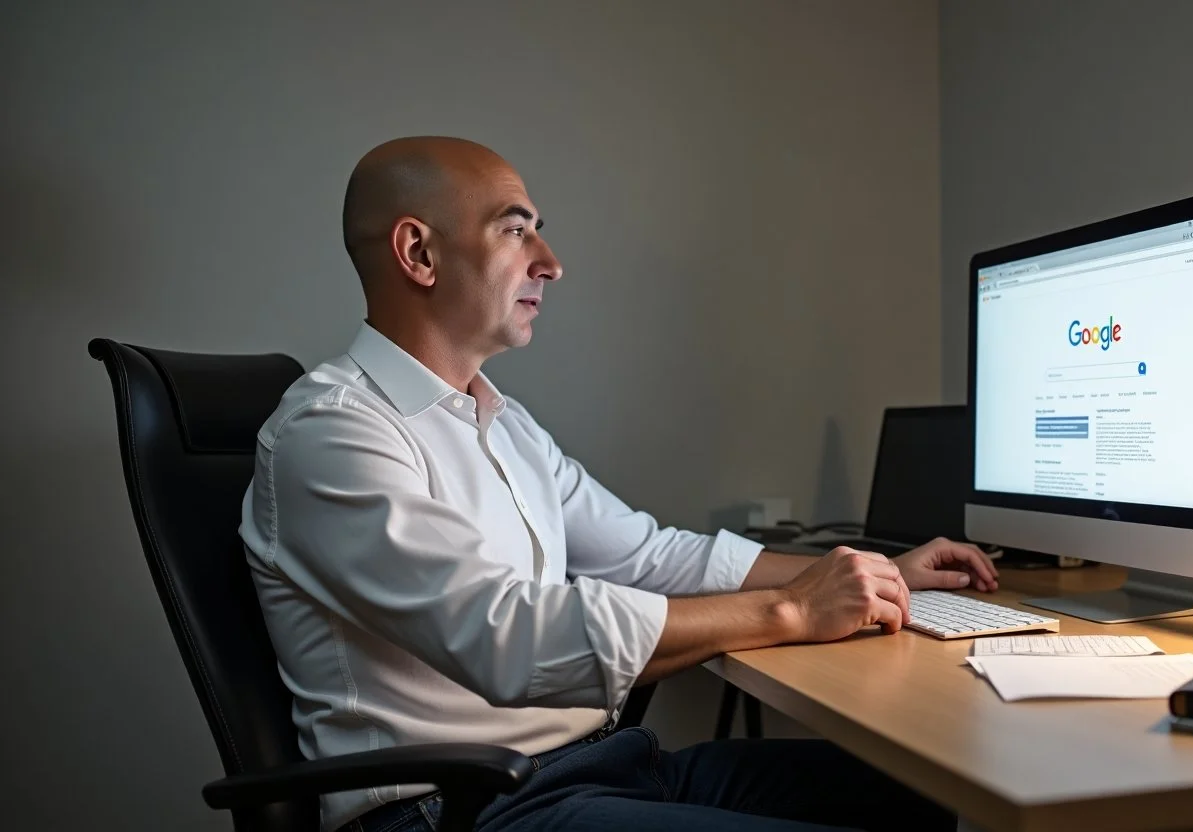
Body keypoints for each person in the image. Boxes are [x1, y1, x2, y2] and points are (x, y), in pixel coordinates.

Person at [240, 136, 1001, 832]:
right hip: (460, 809)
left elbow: (648, 555)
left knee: (927, 797)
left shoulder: (502, 422)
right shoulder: (331, 434)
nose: (550, 262)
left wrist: (872, 574)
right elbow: (507, 640)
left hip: (601, 767)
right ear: (419, 252)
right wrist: (793, 610)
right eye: (516, 230)